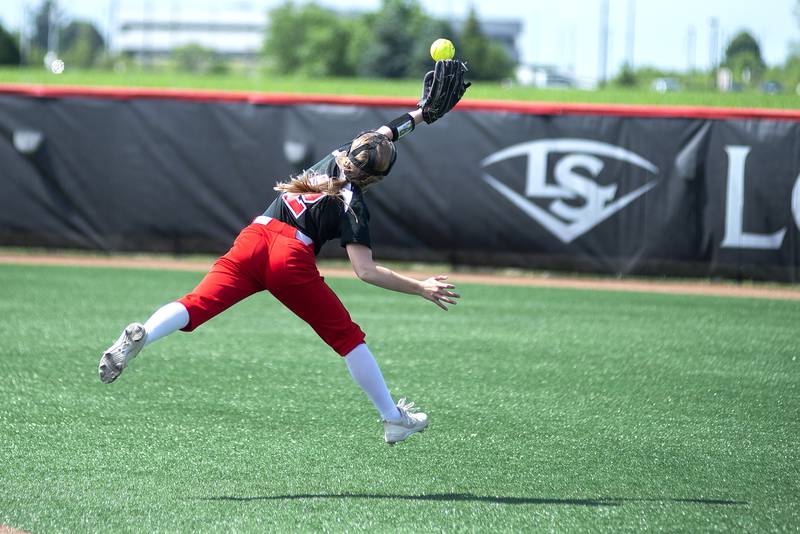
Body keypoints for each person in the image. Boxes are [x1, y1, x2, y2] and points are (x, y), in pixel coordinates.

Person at [98, 59, 470, 445]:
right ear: (377, 177)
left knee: (194, 304)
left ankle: (147, 332)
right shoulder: (354, 203)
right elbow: (366, 271)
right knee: (347, 338)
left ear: (353, 148)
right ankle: (393, 418)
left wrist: (422, 114)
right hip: (289, 258)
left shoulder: (335, 156)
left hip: (253, 239)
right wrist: (421, 287)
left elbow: (385, 132)